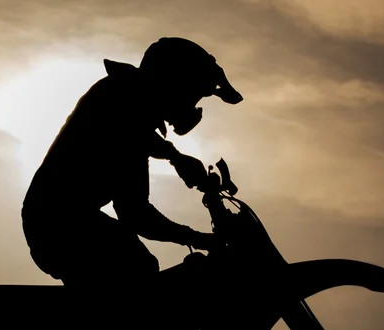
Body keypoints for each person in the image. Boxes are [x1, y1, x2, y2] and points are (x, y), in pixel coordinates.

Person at [21, 37, 243, 290]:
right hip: (58, 223)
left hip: (60, 221)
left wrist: (196, 236)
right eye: (193, 94)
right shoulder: (119, 92)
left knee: (141, 267)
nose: (192, 106)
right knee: (137, 267)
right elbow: (131, 133)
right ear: (174, 81)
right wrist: (195, 237)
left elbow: (135, 212)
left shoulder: (135, 117)